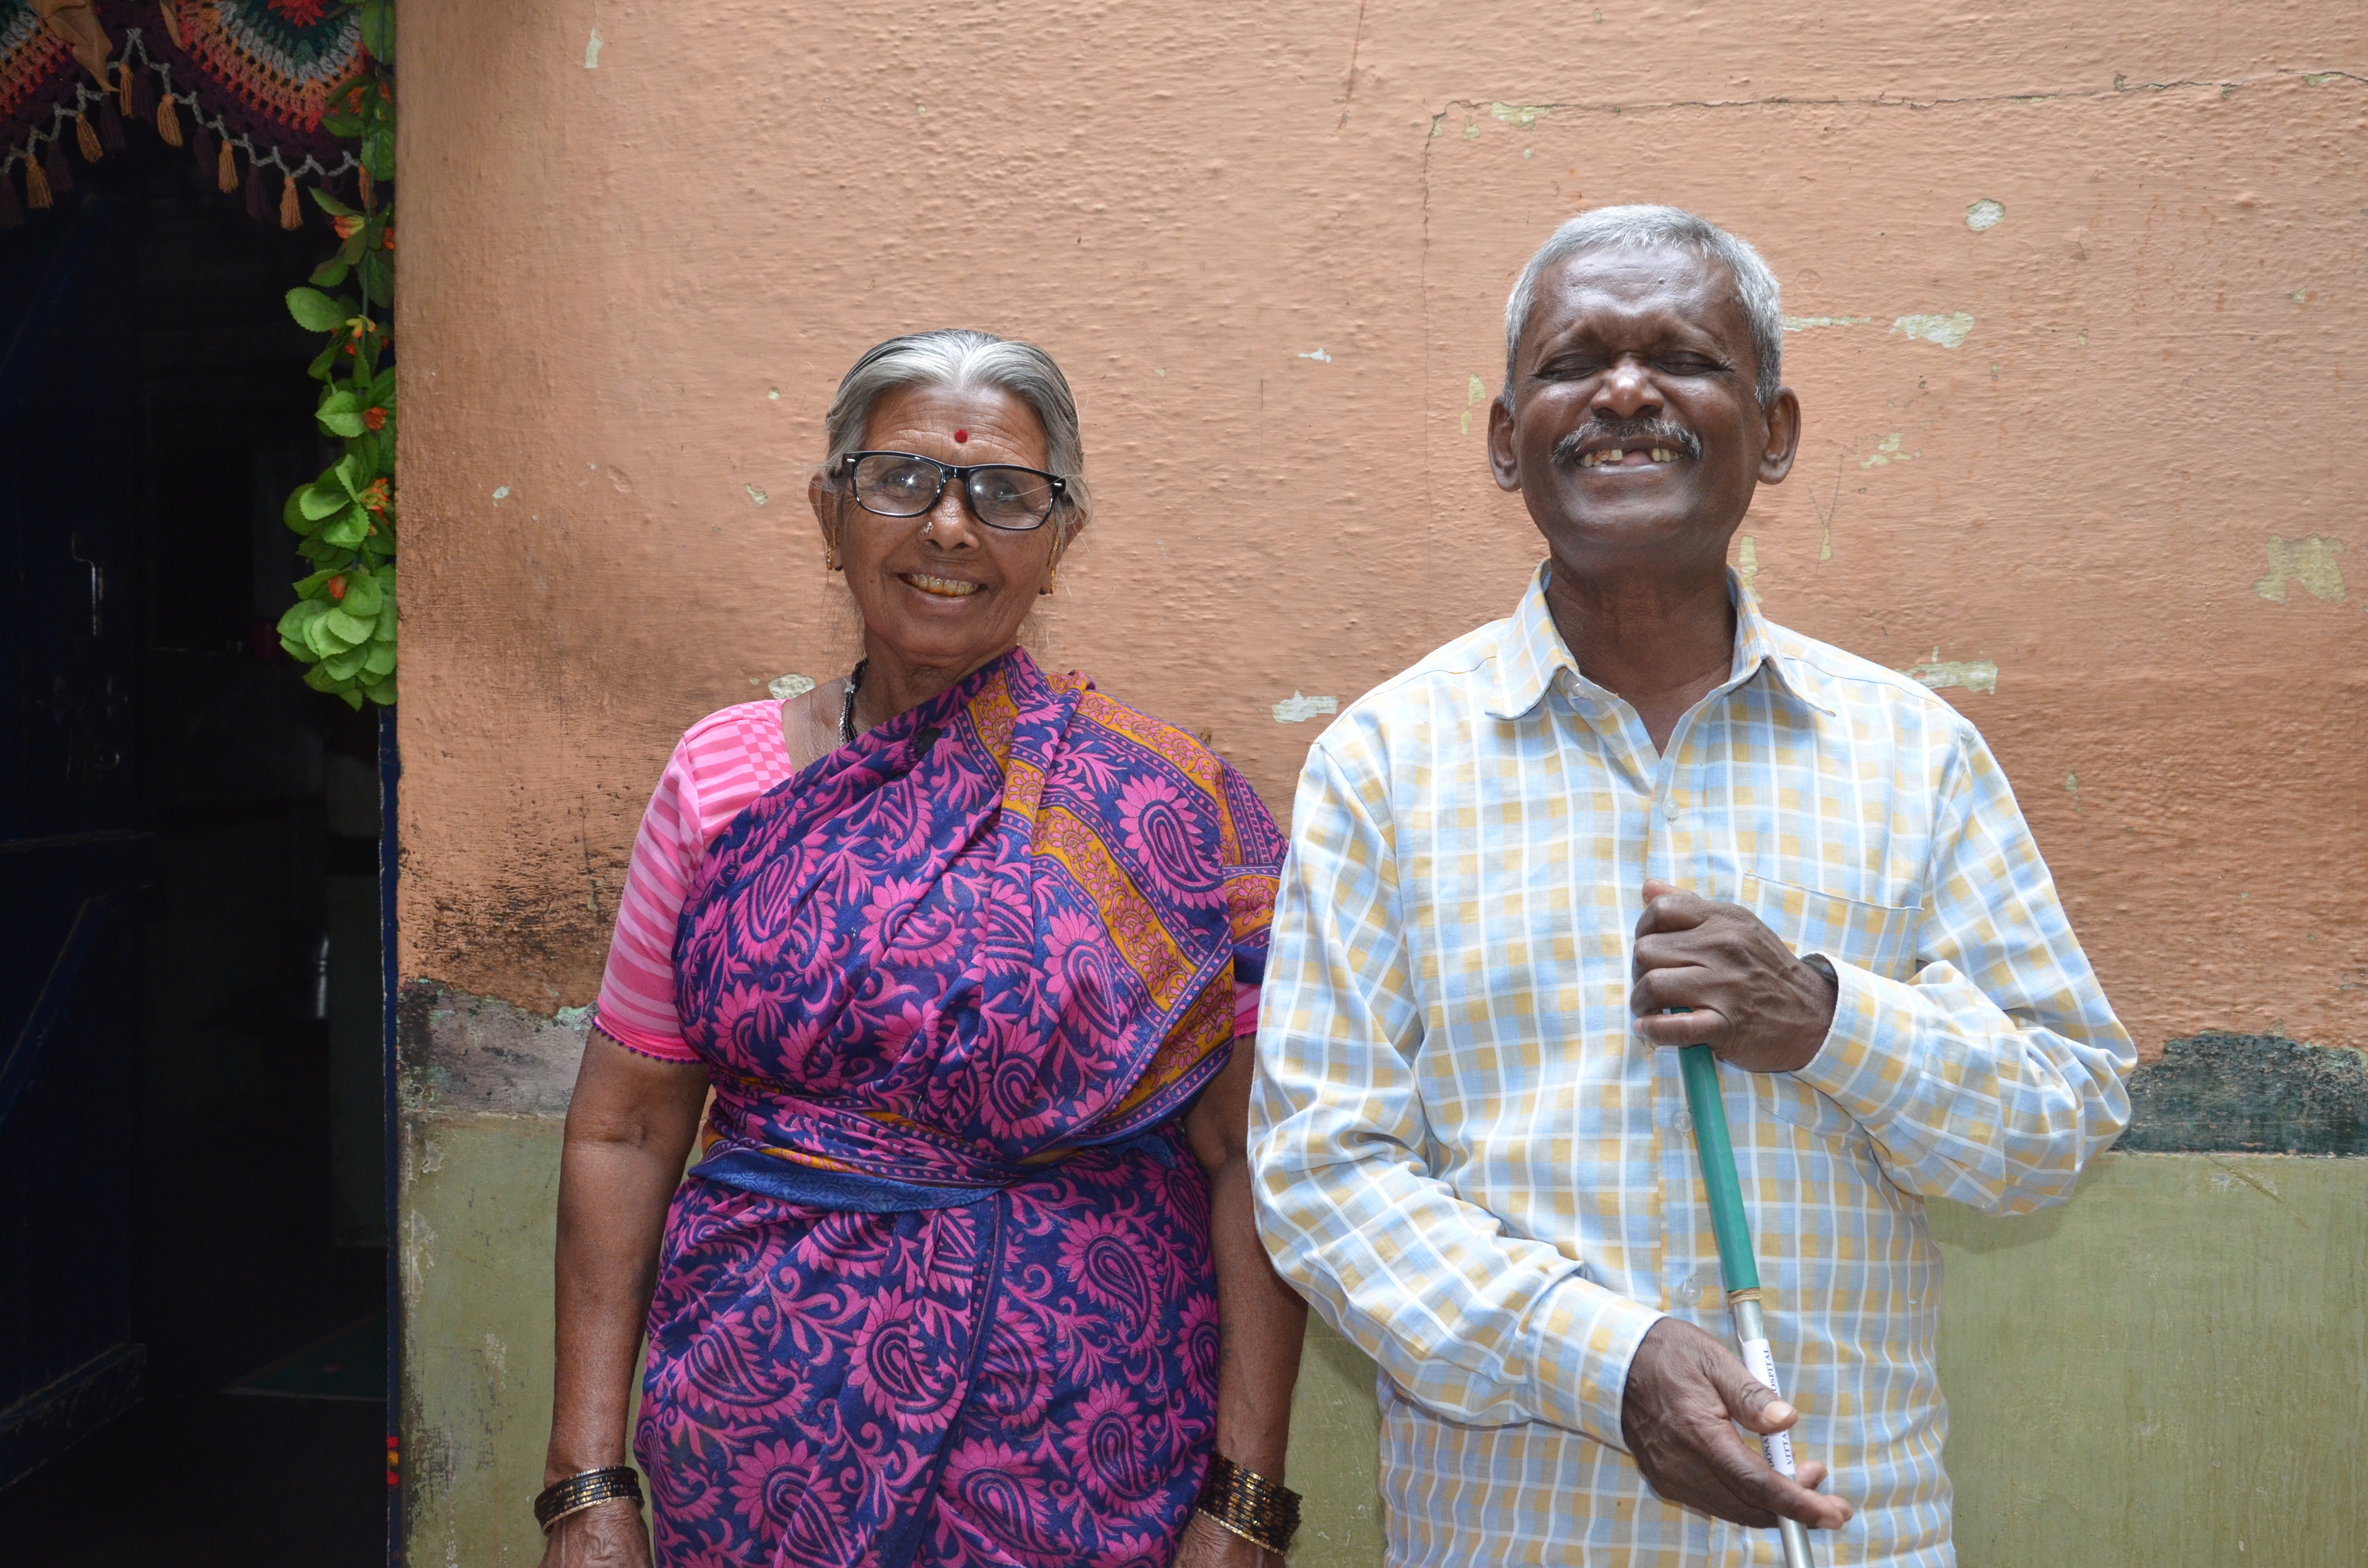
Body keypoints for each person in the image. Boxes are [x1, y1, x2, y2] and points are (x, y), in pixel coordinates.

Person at [1247, 206, 2134, 1566]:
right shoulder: (1384, 763)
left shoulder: (1913, 753)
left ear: (1774, 431)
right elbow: (1321, 1175)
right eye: (1572, 363)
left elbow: (2062, 1116)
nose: (1623, 391)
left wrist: (1829, 1023)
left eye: (1683, 356)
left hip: (1844, 1540)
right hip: (1516, 1540)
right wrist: (1609, 1362)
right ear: (1505, 440)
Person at [538, 330, 1309, 1568]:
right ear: (828, 511)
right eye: (901, 478)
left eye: (1007, 494)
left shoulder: (1172, 805)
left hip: (1087, 1454)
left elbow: (1252, 1158)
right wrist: (584, 1483)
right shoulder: (720, 778)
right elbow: (625, 1129)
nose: (950, 527)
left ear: (1058, 545)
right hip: (754, 1437)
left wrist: (1247, 1500)